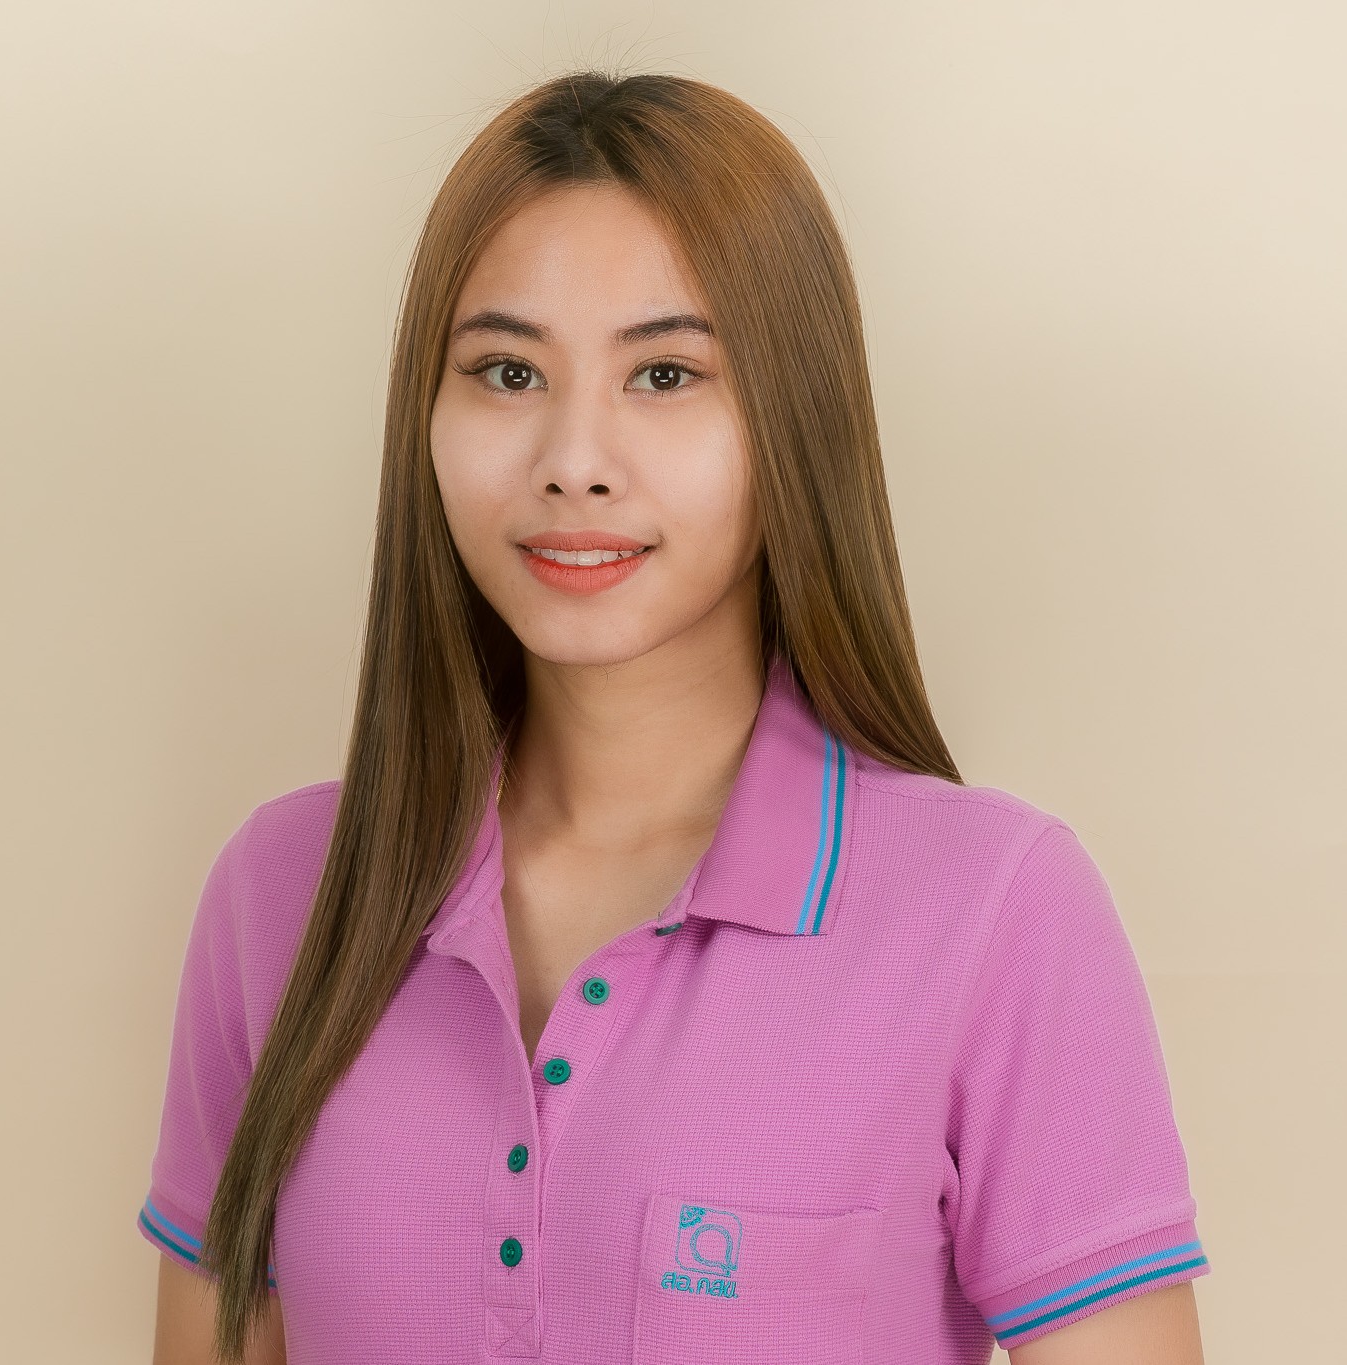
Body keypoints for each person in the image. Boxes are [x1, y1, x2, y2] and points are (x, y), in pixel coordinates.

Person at [137, 70, 1210, 1365]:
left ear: (792, 421)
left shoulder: (994, 909)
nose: (572, 461)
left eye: (662, 373)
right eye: (506, 370)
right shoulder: (278, 896)